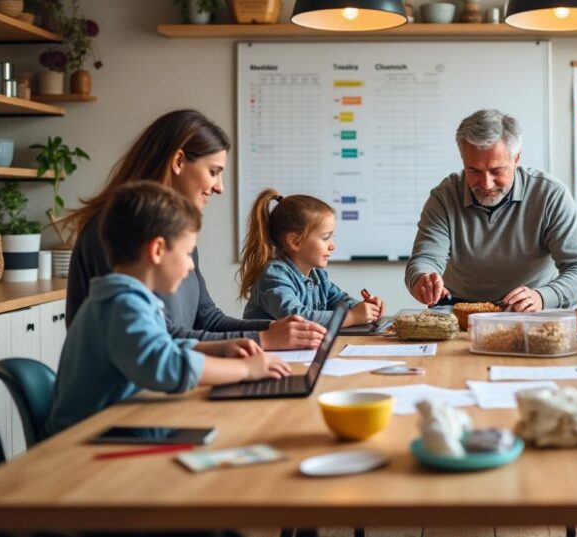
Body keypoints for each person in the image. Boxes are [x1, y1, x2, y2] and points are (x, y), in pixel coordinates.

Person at [66, 109, 325, 349]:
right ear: (179, 161)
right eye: (213, 171)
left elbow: (207, 319)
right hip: (127, 395)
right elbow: (157, 339)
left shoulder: (175, 231)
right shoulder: (113, 229)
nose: (219, 187)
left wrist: (276, 329)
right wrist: (264, 338)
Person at [48, 182, 292, 433]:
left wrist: (218, 348)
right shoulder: (122, 305)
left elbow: (161, 345)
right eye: (187, 253)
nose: (190, 267)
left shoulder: (129, 298)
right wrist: (245, 370)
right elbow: (165, 366)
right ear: (157, 250)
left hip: (116, 423)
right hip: (85, 436)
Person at [406, 108, 577, 311]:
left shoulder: (550, 194)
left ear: (516, 159)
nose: (486, 184)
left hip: (531, 309)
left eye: (497, 171)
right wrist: (422, 278)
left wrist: (542, 297)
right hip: (457, 309)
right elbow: (424, 259)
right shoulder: (444, 196)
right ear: (463, 161)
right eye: (474, 170)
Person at [238, 189, 385, 327]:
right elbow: (296, 318)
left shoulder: (318, 277)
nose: (332, 246)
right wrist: (351, 317)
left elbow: (340, 301)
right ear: (295, 242)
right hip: (265, 351)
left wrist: (363, 307)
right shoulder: (273, 277)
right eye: (326, 238)